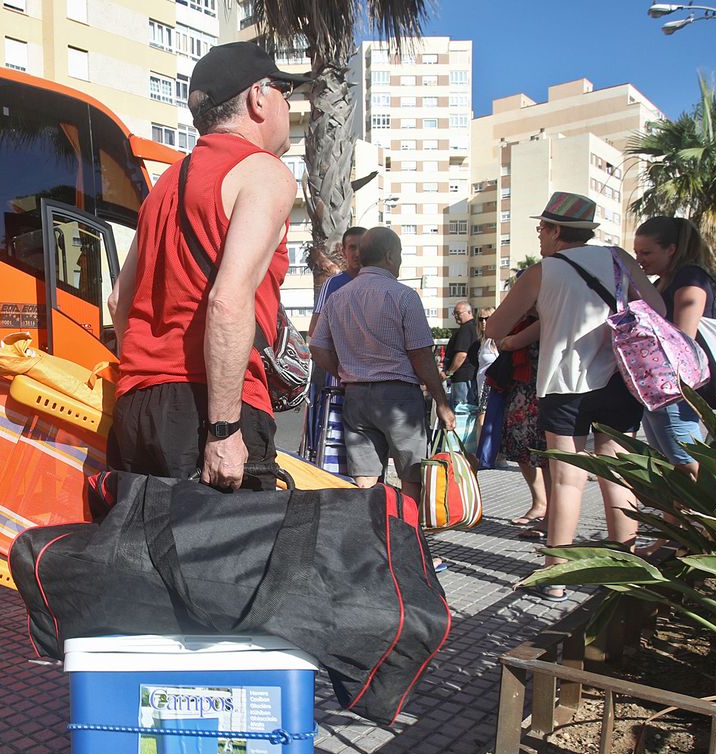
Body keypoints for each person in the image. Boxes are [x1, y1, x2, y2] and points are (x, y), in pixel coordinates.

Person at [107, 42, 306, 492]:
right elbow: (229, 301)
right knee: (234, 561)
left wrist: (146, 372)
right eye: (285, 92)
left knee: (144, 560)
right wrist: (222, 430)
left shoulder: (165, 186)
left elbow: (120, 299)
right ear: (258, 96)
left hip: (138, 407)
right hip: (209, 408)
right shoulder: (263, 172)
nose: (288, 104)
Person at [485, 192, 668, 599]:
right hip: (620, 381)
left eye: (540, 230)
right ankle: (624, 569)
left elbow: (495, 328)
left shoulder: (542, 272)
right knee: (617, 472)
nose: (539, 238)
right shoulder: (619, 258)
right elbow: (655, 307)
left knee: (568, 481)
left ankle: (555, 576)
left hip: (564, 384)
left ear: (554, 231)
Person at [309, 226, 456, 495]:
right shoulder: (404, 296)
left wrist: (342, 373)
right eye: (399, 256)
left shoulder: (338, 297)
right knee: (411, 474)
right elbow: (420, 355)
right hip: (399, 397)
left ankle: (374, 533)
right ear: (389, 256)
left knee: (365, 477)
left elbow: (317, 347)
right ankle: (407, 532)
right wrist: (441, 402)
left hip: (355, 396)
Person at [631, 216, 716, 476]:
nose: (639, 259)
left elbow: (683, 340)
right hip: (660, 386)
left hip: (673, 385)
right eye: (636, 252)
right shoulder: (663, 282)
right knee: (671, 461)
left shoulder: (690, 278)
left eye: (646, 252)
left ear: (672, 249)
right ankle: (678, 516)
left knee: (685, 460)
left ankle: (701, 514)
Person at [301, 225, 365, 471]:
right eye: (352, 247)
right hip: (338, 379)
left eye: (363, 247)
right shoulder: (334, 284)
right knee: (333, 445)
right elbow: (314, 332)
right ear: (343, 250)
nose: (358, 253)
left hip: (373, 380)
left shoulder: (382, 283)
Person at [491, 314, 548, 538]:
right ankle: (540, 502)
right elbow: (497, 338)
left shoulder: (547, 317)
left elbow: (509, 342)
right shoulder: (523, 320)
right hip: (521, 391)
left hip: (542, 392)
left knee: (547, 456)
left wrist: (509, 340)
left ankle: (550, 514)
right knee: (520, 450)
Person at [443, 302, 480, 408]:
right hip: (470, 376)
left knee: (462, 411)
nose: (456, 316)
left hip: (463, 377)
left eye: (458, 313)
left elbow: (461, 354)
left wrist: (449, 372)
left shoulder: (466, 329)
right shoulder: (474, 327)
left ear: (469, 312)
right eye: (454, 313)